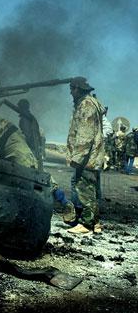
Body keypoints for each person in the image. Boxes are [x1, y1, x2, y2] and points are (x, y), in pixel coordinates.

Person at [66, 77, 106, 234]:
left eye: (71, 89)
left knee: (85, 189)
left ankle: (86, 224)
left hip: (87, 157)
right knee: (93, 190)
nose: (70, 92)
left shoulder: (86, 105)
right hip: (93, 156)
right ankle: (95, 223)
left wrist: (77, 157)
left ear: (77, 89)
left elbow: (85, 134)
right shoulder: (91, 103)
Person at [17, 98, 44, 169]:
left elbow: (27, 135)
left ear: (21, 108)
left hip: (30, 148)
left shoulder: (24, 119)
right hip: (35, 147)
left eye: (19, 107)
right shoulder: (31, 118)